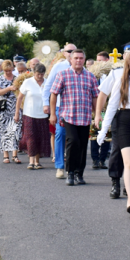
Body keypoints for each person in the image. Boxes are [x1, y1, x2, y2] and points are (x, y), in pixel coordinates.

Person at [97, 51, 130, 215]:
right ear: (127, 63)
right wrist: (103, 128)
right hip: (124, 121)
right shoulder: (120, 78)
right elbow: (112, 104)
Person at [95, 41, 130, 199]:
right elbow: (103, 94)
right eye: (128, 53)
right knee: (117, 149)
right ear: (124, 55)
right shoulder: (116, 73)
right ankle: (115, 181)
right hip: (119, 116)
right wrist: (98, 114)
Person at [50, 49, 98, 186]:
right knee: (73, 141)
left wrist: (97, 116)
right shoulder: (62, 75)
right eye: (76, 58)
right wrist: (53, 114)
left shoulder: (90, 76)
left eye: (81, 58)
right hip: (69, 116)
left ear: (84, 59)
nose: (78, 60)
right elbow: (54, 94)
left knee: (83, 145)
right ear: (70, 59)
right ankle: (70, 172)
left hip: (85, 116)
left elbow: (95, 96)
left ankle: (79, 173)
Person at [42, 43, 77, 179]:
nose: (72, 53)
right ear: (64, 53)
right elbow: (48, 86)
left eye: (74, 51)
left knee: (74, 137)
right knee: (60, 133)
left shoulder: (80, 67)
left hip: (75, 108)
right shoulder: (59, 66)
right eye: (69, 51)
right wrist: (46, 104)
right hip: (59, 106)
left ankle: (72, 167)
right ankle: (60, 166)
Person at [15, 63, 51, 170]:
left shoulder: (47, 83)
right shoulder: (28, 82)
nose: (39, 76)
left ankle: (37, 161)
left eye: (41, 74)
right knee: (31, 137)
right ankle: (31, 161)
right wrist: (17, 112)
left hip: (43, 115)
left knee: (40, 137)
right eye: (37, 74)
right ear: (34, 73)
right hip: (29, 114)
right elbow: (20, 98)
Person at [0, 60, 22, 164]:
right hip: (3, 107)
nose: (8, 73)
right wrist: (9, 88)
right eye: (6, 71)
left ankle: (15, 154)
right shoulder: (0, 79)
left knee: (16, 130)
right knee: (4, 130)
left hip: (15, 107)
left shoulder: (16, 79)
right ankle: (6, 155)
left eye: (10, 70)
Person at [90, 51, 111, 169]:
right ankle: (95, 159)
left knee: (107, 135)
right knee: (94, 134)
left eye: (101, 60)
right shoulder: (93, 75)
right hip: (95, 108)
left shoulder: (111, 74)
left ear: (107, 61)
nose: (98, 63)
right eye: (97, 60)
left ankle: (102, 159)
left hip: (108, 108)